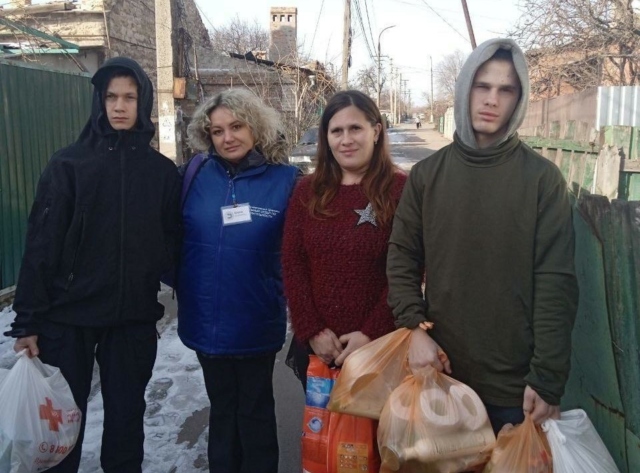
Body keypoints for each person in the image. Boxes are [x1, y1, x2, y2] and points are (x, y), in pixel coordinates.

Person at [386, 38, 579, 434]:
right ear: (464, 90)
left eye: (506, 90)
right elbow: (402, 256)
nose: (492, 99)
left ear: (519, 100)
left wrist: (547, 379)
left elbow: (555, 283)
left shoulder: (542, 180)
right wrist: (413, 329)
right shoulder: (427, 176)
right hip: (439, 374)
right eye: (482, 86)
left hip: (515, 390)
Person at [4, 57, 181, 472]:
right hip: (68, 319)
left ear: (143, 102)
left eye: (129, 97)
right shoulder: (69, 165)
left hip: (131, 320)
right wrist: (27, 320)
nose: (119, 106)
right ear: (99, 101)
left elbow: (173, 239)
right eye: (111, 97)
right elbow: (41, 244)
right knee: (62, 424)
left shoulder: (160, 173)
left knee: (126, 422)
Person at [177, 88, 299, 473]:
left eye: (237, 126)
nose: (227, 137)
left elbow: (304, 252)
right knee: (222, 411)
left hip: (255, 321)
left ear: (255, 127)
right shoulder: (194, 175)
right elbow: (167, 237)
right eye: (217, 131)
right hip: (204, 321)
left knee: (255, 412)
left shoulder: (287, 181)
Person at [282, 90, 407, 387]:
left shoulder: (401, 190)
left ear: (376, 131)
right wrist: (311, 329)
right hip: (319, 351)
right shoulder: (307, 191)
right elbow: (293, 263)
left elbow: (410, 270)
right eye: (336, 131)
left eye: (355, 128)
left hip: (381, 349)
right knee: (322, 420)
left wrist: (372, 333)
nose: (346, 139)